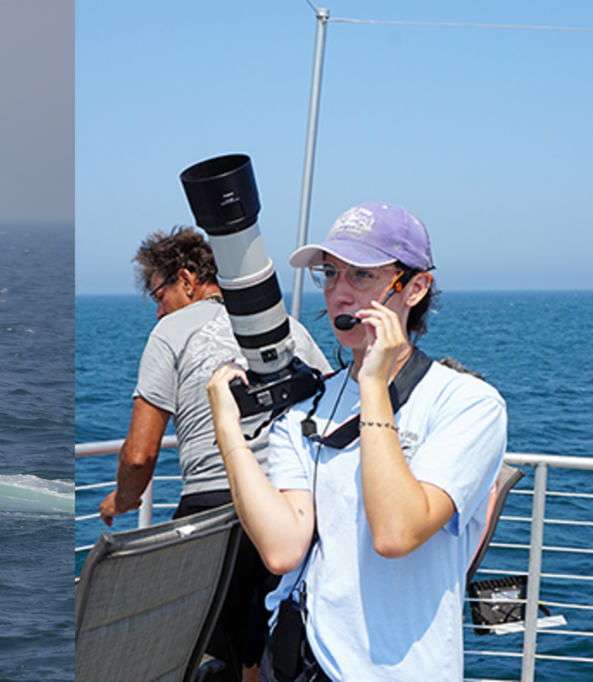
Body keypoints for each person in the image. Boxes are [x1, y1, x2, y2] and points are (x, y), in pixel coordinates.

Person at [207, 202, 506, 681]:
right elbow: (283, 550)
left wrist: (372, 384)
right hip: (305, 663)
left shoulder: (468, 404)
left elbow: (395, 533)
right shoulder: (307, 407)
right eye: (329, 275)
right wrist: (228, 432)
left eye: (362, 276)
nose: (339, 295)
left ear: (415, 286)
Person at [99, 226, 331, 682]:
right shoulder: (288, 328)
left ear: (186, 280)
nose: (158, 310)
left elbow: (141, 455)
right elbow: (332, 407)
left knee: (205, 656)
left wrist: (120, 501)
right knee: (276, 650)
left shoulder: (170, 332)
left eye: (157, 295)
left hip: (212, 515)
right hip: (293, 509)